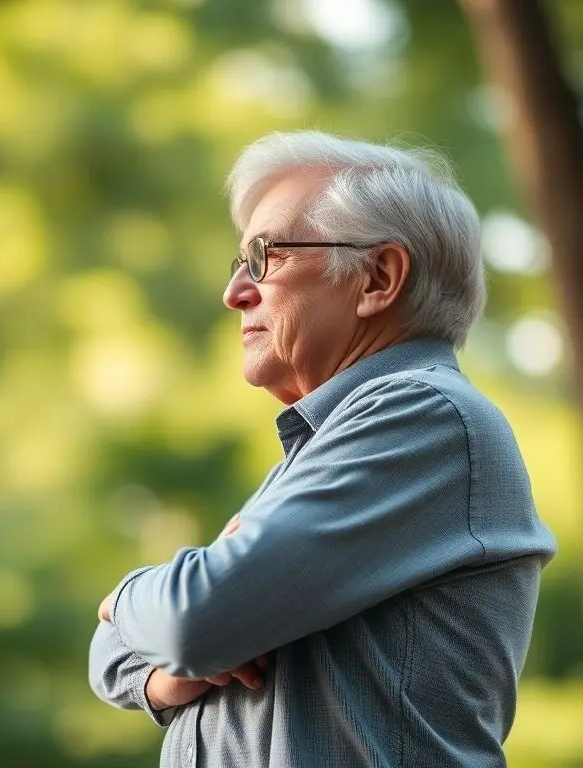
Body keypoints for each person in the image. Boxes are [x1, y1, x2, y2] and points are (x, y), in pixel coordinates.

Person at [87, 131, 557, 767]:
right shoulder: (325, 443)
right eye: (239, 264)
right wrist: (162, 677)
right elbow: (111, 658)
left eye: (267, 257)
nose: (236, 294)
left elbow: (188, 623)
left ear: (378, 277)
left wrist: (129, 595)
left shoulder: (423, 416)